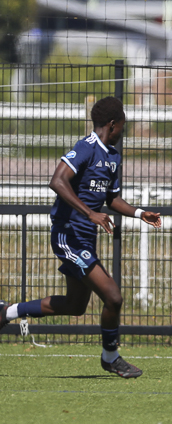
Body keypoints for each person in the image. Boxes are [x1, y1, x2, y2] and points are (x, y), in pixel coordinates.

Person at [0, 97, 160, 378]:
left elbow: (112, 198)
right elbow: (57, 180)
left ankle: (7, 312)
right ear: (113, 124)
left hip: (85, 239)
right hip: (68, 235)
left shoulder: (113, 156)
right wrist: (89, 213)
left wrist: (139, 213)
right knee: (113, 297)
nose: (124, 130)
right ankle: (110, 357)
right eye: (123, 125)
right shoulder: (86, 147)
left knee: (75, 306)